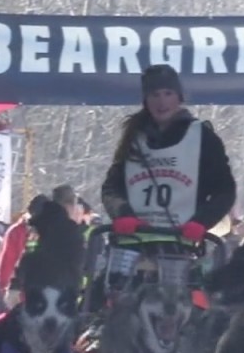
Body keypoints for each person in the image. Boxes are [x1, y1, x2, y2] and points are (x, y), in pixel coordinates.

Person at [100, 63, 236, 239]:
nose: (161, 102)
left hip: (181, 244)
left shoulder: (202, 137)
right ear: (146, 100)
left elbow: (224, 190)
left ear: (179, 98)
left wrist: (201, 221)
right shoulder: (134, 137)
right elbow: (112, 187)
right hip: (134, 240)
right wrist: (123, 213)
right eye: (154, 95)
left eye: (168, 94)